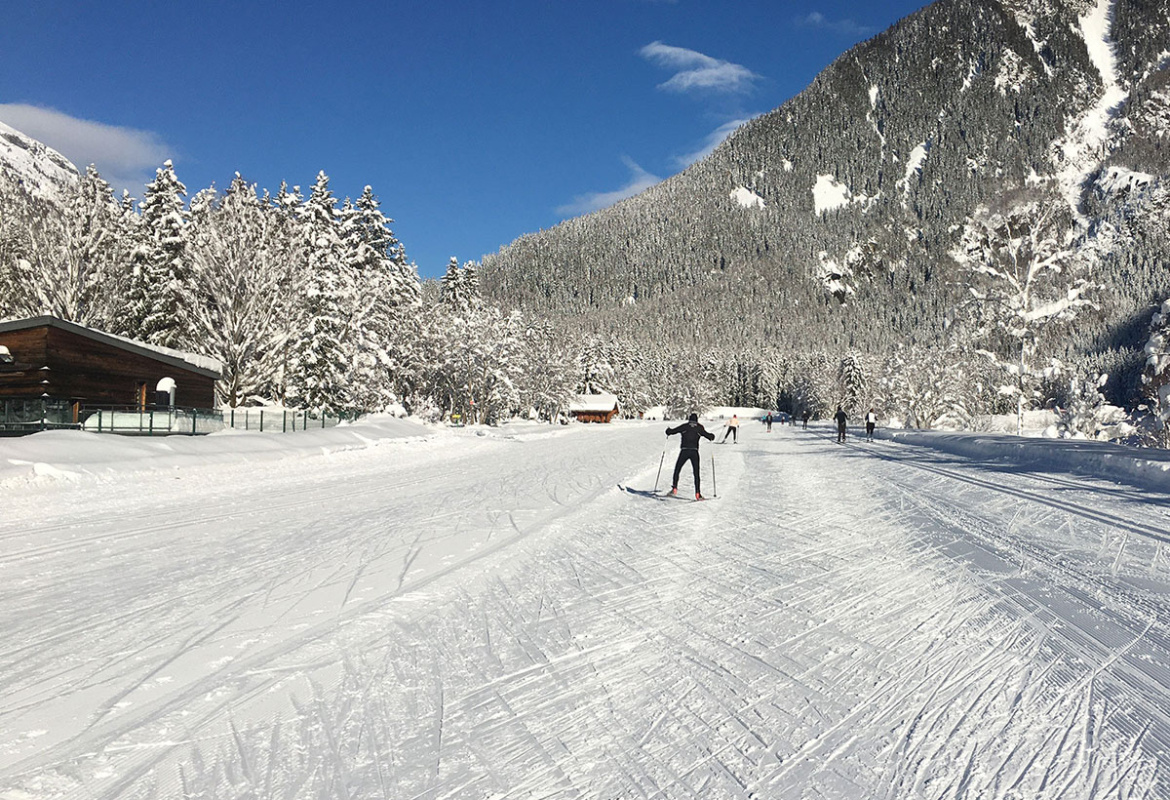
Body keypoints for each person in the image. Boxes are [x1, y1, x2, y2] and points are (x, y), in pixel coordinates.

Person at [666, 412, 715, 499]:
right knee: (696, 473)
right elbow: (708, 436)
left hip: (684, 450)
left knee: (677, 469)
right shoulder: (699, 427)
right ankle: (697, 494)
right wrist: (711, 436)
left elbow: (673, 431)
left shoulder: (685, 426)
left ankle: (674, 488)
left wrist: (668, 431)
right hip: (694, 452)